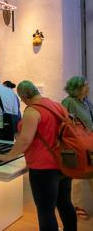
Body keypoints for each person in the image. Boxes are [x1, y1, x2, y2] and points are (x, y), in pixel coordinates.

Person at [0, 80, 77, 231]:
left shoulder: (32, 111)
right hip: (63, 163)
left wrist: (9, 156)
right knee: (65, 203)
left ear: (24, 97)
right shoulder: (57, 105)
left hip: (43, 168)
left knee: (46, 209)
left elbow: (25, 140)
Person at [61, 76, 93, 220]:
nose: (88, 87)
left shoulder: (86, 102)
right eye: (85, 85)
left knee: (90, 171)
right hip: (77, 144)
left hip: (89, 141)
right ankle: (79, 206)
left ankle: (86, 202)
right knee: (79, 175)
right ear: (76, 88)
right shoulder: (68, 102)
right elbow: (62, 122)